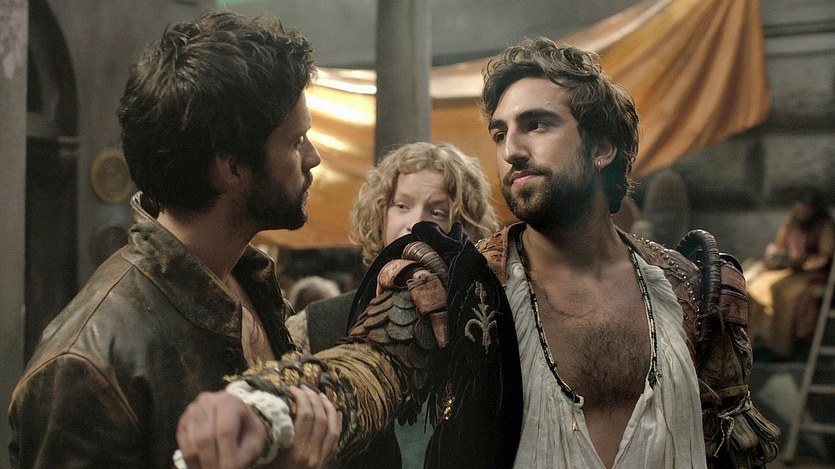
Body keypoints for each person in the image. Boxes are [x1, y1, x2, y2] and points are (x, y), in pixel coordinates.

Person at [176, 39, 779, 469]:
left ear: (601, 149)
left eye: (536, 125)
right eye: (500, 132)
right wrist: (266, 405)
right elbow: (368, 367)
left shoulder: (689, 288)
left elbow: (732, 439)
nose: (511, 149)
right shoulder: (462, 284)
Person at [8, 10, 341, 468]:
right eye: (296, 140)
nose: (313, 157)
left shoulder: (247, 279)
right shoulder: (87, 363)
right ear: (231, 166)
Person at [285, 141, 499, 468]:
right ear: (381, 214)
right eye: (402, 205)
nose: (416, 223)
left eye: (437, 211)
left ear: (464, 227)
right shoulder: (314, 324)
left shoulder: (484, 323)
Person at [747, 187, 835, 359]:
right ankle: (756, 339)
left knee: (786, 294)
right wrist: (777, 255)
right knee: (756, 287)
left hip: (810, 274)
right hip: (788, 269)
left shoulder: (824, 227)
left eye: (807, 208)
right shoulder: (793, 222)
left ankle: (781, 347)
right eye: (800, 207)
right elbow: (779, 245)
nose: (802, 211)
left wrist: (803, 262)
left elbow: (825, 256)